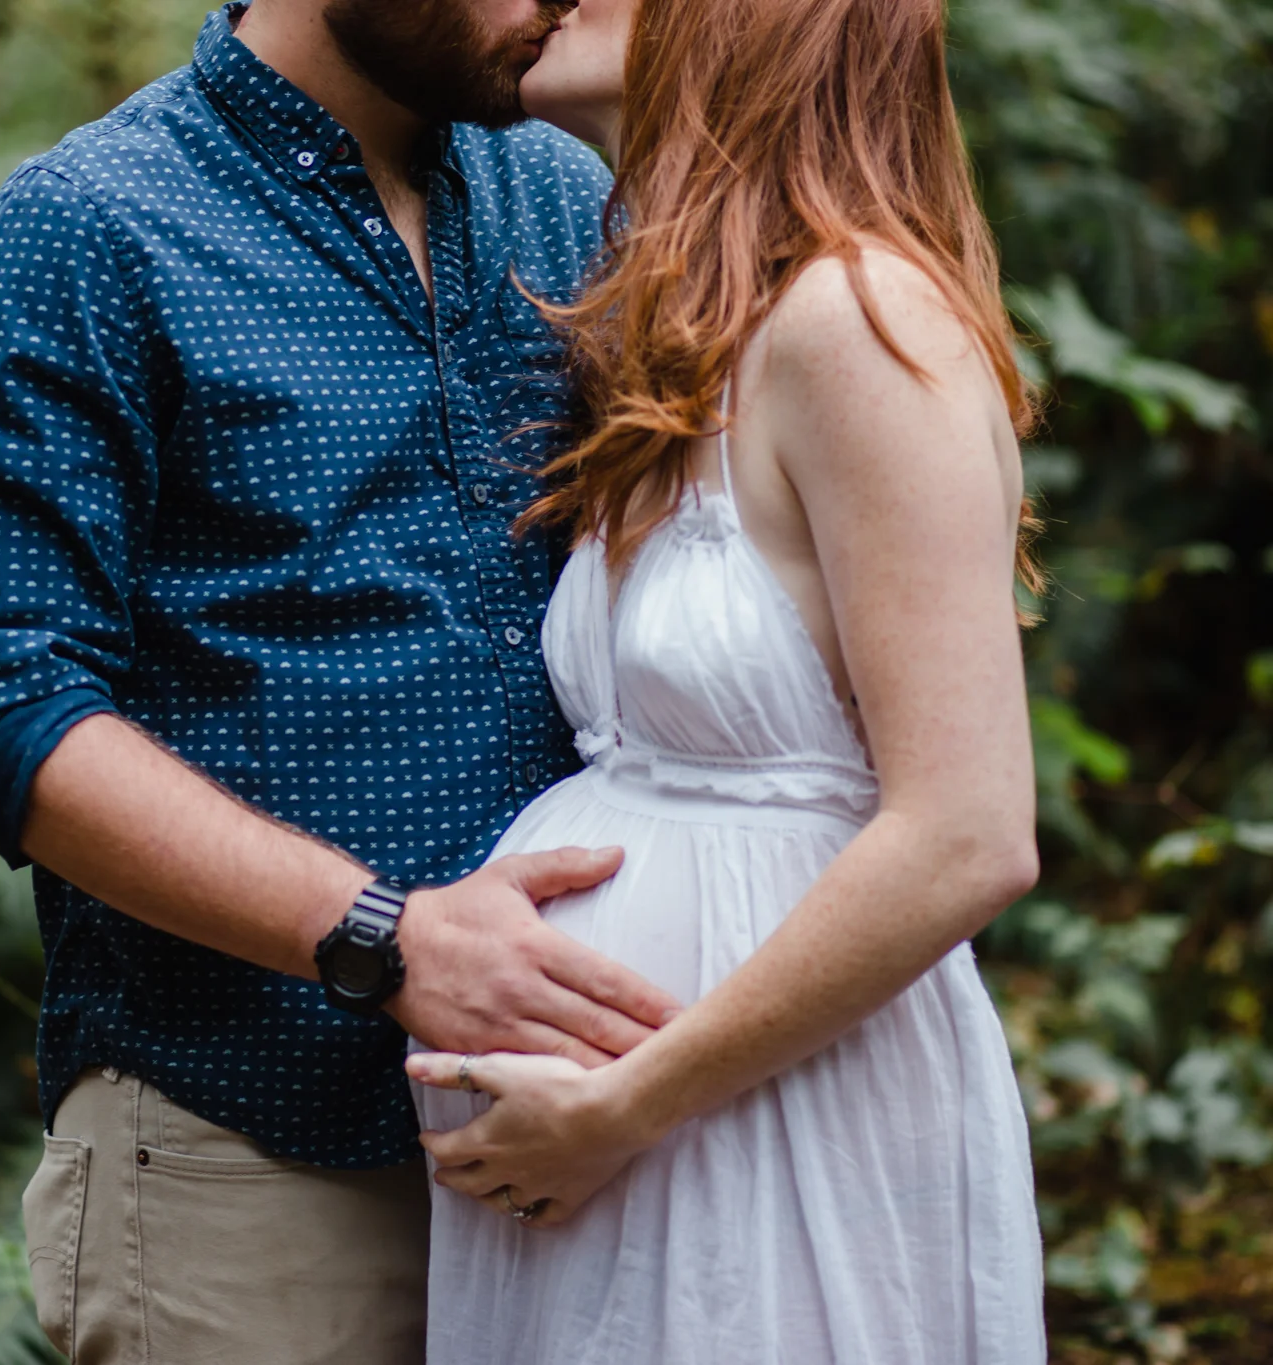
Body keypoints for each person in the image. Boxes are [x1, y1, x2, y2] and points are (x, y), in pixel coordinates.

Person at [0, 2, 684, 1361]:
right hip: (248, 1162)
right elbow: (1, 710)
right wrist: (386, 936)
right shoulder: (87, 228)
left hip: (578, 1147)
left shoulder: (570, 201)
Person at [406, 0, 1049, 1360]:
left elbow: (967, 835)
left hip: (759, 1111)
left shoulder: (863, 324)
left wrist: (632, 1100)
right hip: (630, 1138)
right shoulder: (704, 341)